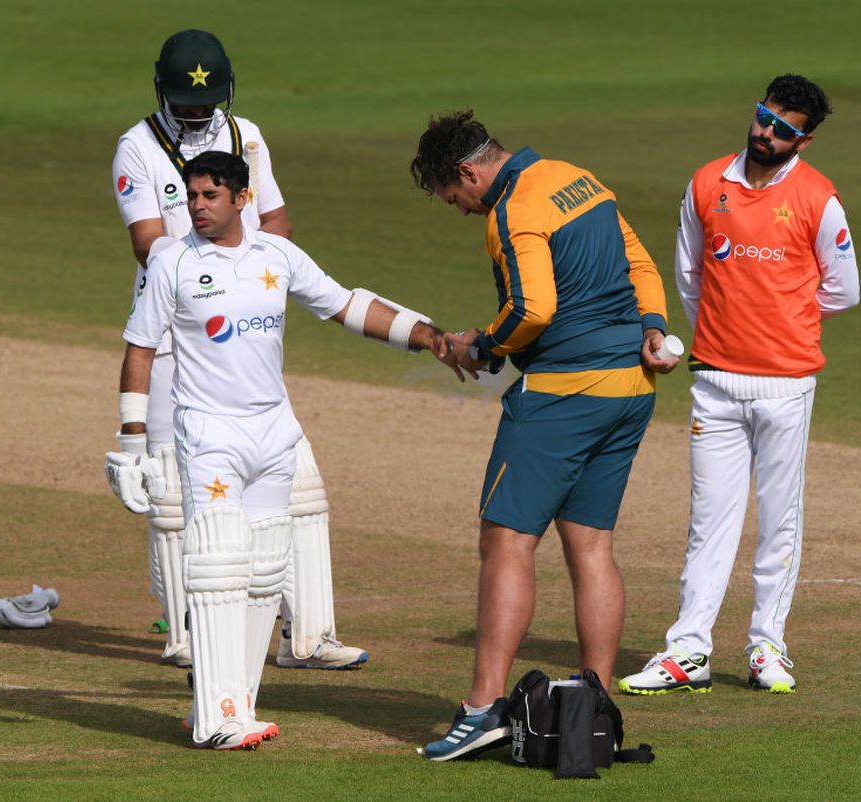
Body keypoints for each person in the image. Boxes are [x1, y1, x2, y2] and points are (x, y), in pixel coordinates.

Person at [106, 151, 445, 749]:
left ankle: (231, 704)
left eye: (210, 196)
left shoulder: (277, 255)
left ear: (242, 198)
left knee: (265, 572)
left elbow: (344, 304)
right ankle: (215, 720)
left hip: (273, 430)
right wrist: (130, 443)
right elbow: (139, 348)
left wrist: (427, 336)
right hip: (209, 433)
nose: (197, 207)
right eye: (191, 196)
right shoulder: (174, 263)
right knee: (217, 566)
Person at [409, 111, 679, 761]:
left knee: (505, 541)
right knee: (590, 547)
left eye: (455, 197)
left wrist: (486, 346)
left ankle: (481, 711)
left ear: (468, 172)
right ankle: (592, 710)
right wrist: (652, 323)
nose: (462, 210)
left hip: (566, 393)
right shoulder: (577, 178)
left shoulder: (514, 210)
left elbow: (534, 308)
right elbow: (639, 260)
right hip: (631, 387)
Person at [110, 29, 366, 670]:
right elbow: (151, 243)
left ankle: (306, 636)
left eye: (205, 101)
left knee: (299, 488)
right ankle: (191, 634)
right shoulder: (138, 147)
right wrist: (223, 260)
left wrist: (241, 264)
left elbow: (277, 223)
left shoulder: (245, 134)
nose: (196, 113)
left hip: (243, 332)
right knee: (174, 497)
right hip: (175, 336)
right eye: (184, 102)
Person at [619, 75, 859, 697]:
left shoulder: (818, 197)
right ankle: (688, 651)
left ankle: (766, 648)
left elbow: (843, 289)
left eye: (783, 128)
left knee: (779, 521)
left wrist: (783, 320)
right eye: (762, 117)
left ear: (802, 140)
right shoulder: (706, 183)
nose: (765, 132)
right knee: (709, 523)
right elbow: (691, 276)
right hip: (716, 383)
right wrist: (730, 336)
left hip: (786, 385)